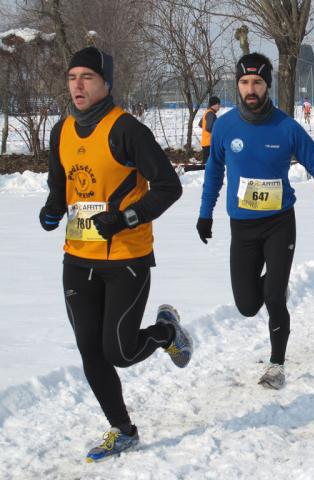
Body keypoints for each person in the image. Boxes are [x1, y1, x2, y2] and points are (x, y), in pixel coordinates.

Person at [38, 47, 191, 462]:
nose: (78, 85)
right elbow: (60, 184)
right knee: (91, 352)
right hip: (78, 258)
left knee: (118, 352)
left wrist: (126, 218)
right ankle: (122, 429)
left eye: (87, 76)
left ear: (106, 81)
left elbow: (168, 187)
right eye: (72, 77)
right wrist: (52, 211)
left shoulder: (127, 130)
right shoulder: (61, 130)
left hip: (126, 256)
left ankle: (167, 333)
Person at [197, 53, 314, 389]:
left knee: (273, 297)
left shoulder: (286, 127)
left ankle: (276, 365)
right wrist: (205, 213)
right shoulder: (225, 126)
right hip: (242, 227)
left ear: (267, 86)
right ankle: (276, 284)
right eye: (244, 82)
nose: (250, 89)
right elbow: (215, 171)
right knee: (246, 305)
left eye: (257, 82)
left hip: (278, 223)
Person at [180, 96, 222, 174]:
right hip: (210, 142)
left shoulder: (207, 112)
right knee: (207, 164)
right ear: (215, 104)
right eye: (219, 105)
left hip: (206, 141)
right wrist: (217, 132)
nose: (219, 107)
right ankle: (187, 169)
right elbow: (209, 127)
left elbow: (200, 124)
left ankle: (187, 169)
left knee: (206, 163)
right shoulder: (211, 114)